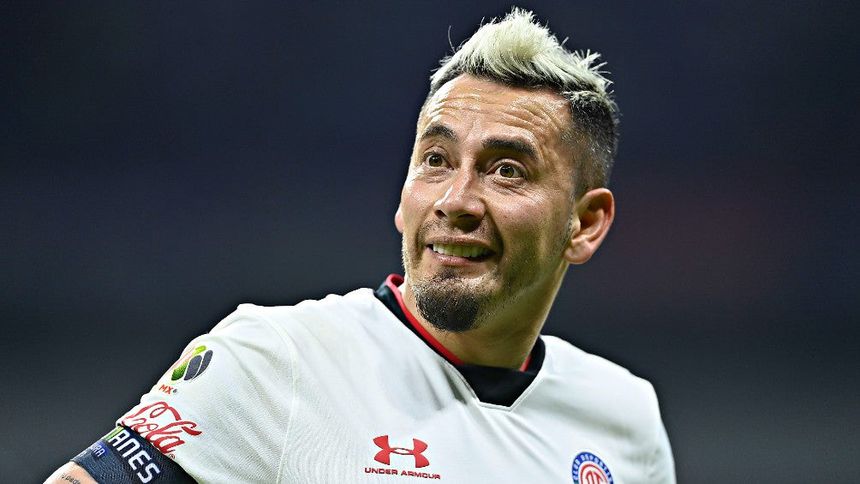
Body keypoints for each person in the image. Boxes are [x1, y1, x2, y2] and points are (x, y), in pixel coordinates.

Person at [47, 8, 675, 483]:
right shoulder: (274, 361)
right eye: (436, 159)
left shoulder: (625, 418)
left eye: (506, 170)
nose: (455, 199)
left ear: (584, 224)